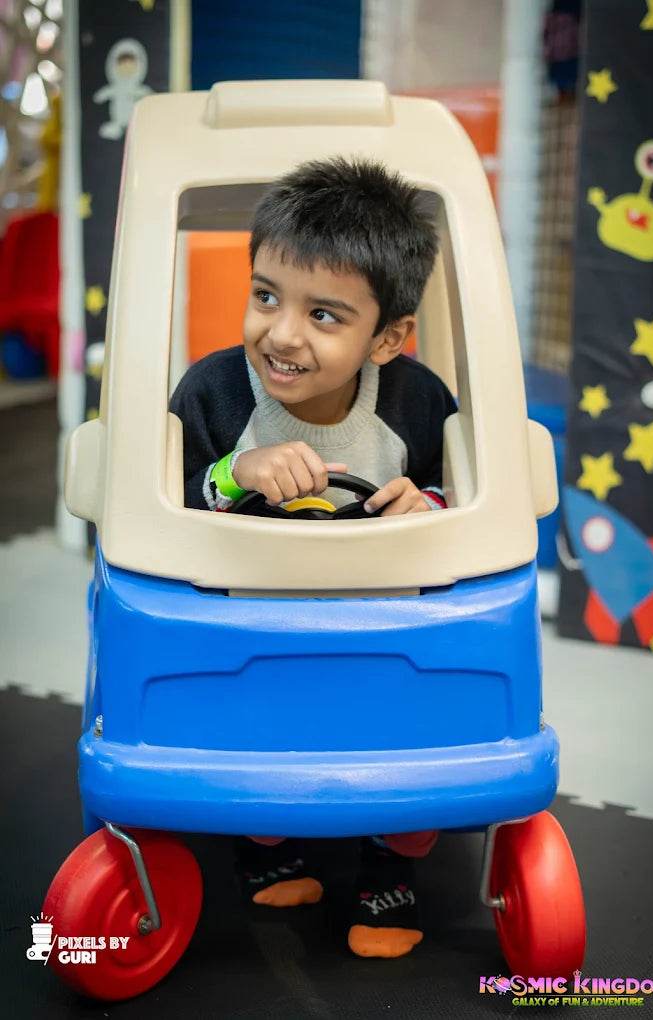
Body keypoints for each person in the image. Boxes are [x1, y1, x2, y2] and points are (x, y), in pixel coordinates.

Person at [170, 156, 456, 959]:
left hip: (379, 629)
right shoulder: (212, 393)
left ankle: (386, 864)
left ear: (387, 338)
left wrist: (426, 506)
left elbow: (464, 495)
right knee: (252, 737)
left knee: (406, 743)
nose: (282, 333)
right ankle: (266, 840)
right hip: (249, 632)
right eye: (266, 296)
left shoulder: (418, 402)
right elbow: (162, 506)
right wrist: (237, 472)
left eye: (323, 315)